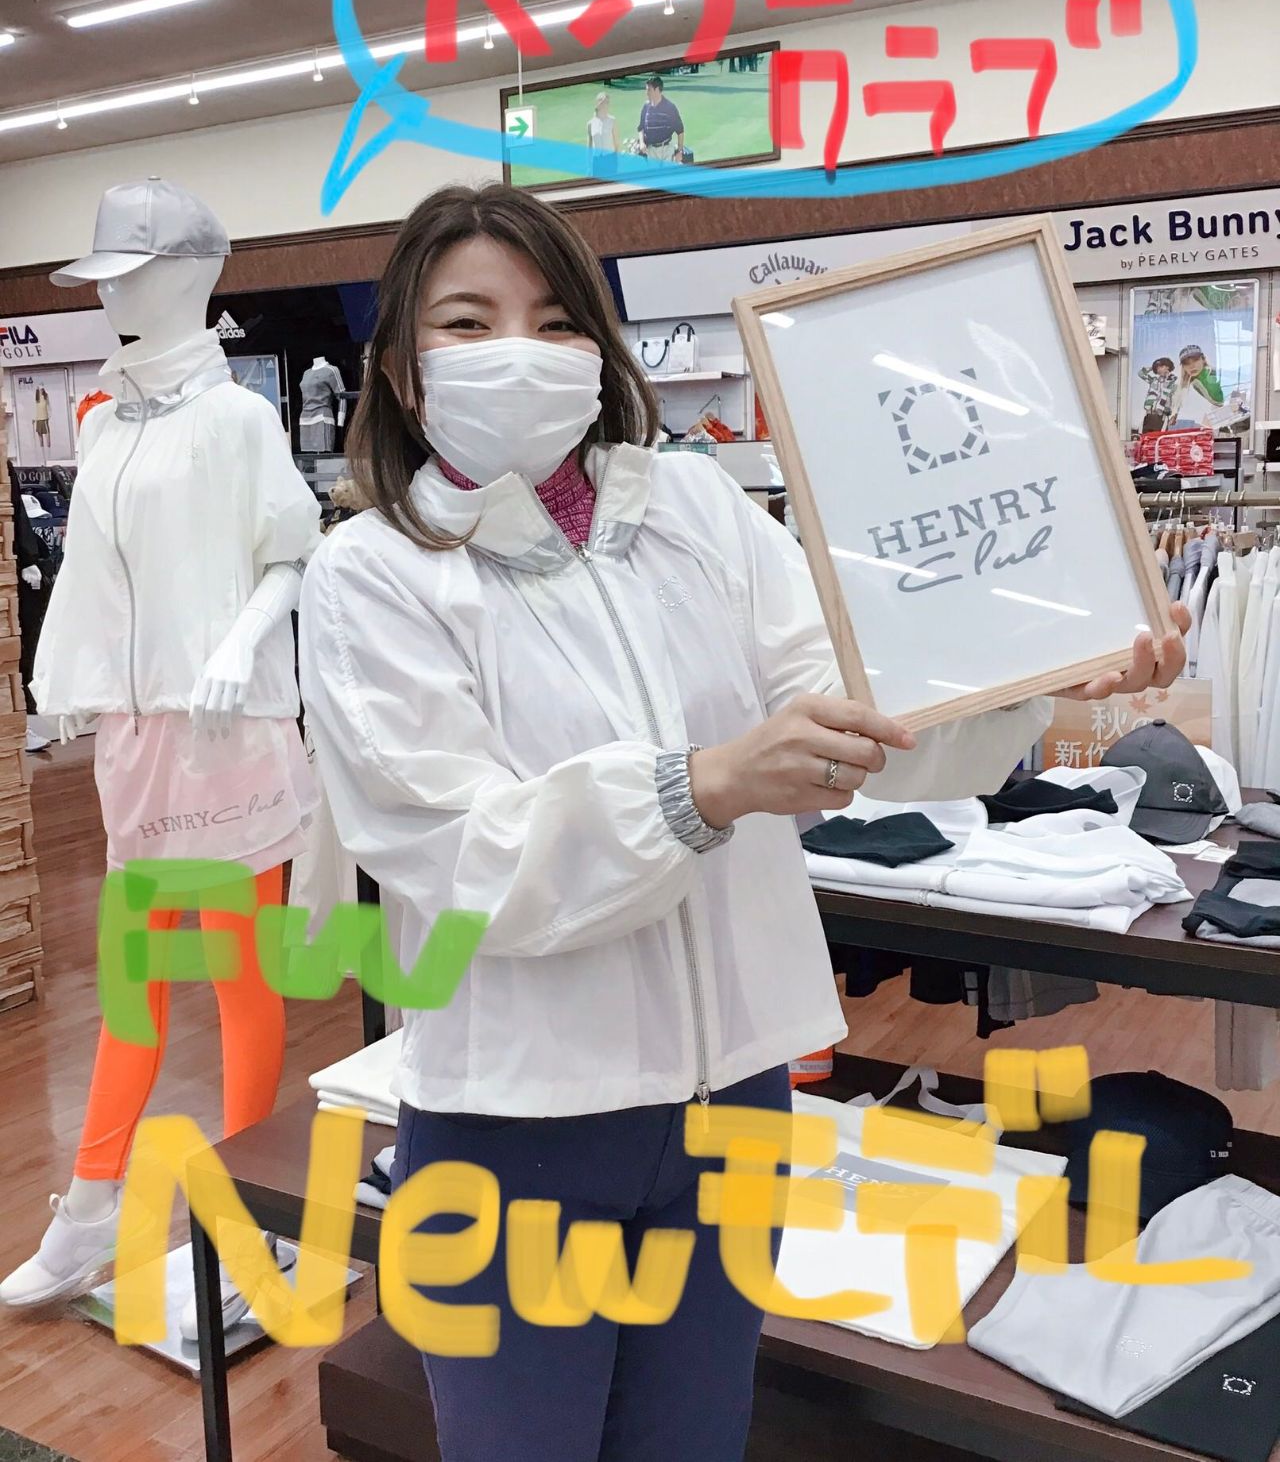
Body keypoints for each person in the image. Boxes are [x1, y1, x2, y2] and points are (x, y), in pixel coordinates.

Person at [298, 182, 1188, 1462]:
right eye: (468, 321)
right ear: (399, 366)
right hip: (515, 1126)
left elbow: (859, 717)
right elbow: (462, 861)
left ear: (599, 349)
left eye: (556, 320)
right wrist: (701, 786)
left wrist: (1028, 671)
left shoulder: (695, 512)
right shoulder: (372, 575)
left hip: (734, 1106)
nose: (521, 351)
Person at [1170, 342, 1225, 427]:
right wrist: (1174, 414)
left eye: (1195, 360)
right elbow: (1179, 397)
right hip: (1213, 414)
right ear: (1183, 367)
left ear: (1203, 359)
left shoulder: (1213, 375)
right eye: (1187, 363)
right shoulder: (1189, 381)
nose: (1192, 366)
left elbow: (1222, 400)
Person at [637, 74, 685, 163]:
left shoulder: (670, 108)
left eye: (649, 90)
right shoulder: (646, 107)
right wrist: (642, 143)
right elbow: (641, 128)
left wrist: (680, 151)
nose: (646, 93)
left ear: (657, 90)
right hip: (650, 150)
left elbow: (680, 131)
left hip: (666, 150)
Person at [586, 90, 619, 173]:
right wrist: (589, 165)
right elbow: (589, 147)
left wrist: (616, 161)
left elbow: (616, 143)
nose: (606, 105)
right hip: (597, 160)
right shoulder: (590, 123)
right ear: (598, 104)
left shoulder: (612, 120)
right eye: (604, 102)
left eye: (607, 103)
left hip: (610, 159)